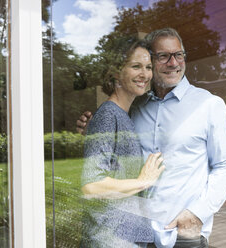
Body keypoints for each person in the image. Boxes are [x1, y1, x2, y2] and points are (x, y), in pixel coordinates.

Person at [77, 28, 226, 248]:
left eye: (178, 54)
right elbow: (114, 148)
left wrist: (197, 214)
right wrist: (94, 128)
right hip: (137, 235)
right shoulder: (136, 107)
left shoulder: (209, 104)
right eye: (163, 56)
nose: (173, 63)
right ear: (152, 59)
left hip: (182, 233)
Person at [80, 37, 165, 248]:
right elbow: (92, 186)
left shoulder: (123, 114)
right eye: (136, 66)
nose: (144, 74)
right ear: (117, 72)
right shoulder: (109, 115)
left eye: (148, 67)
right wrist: (143, 181)